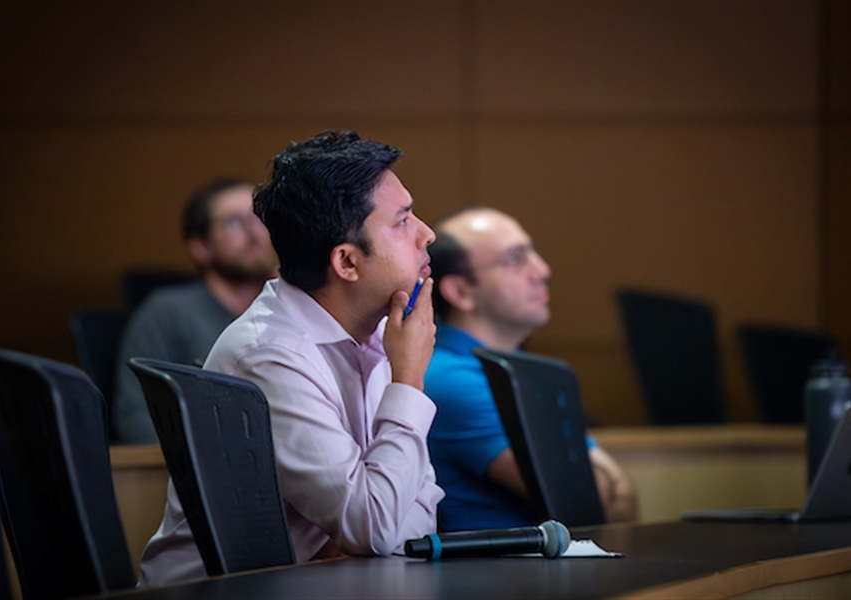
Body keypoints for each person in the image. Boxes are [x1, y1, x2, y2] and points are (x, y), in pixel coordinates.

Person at [138, 131, 444, 586]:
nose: (427, 233)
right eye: (402, 222)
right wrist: (408, 383)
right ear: (347, 263)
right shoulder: (271, 355)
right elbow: (377, 526)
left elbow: (417, 516)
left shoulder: (384, 334)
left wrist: (362, 536)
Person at [425, 207, 638, 531]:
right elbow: (592, 499)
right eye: (515, 258)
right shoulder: (452, 380)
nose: (542, 270)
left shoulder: (514, 372)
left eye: (532, 252)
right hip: (496, 577)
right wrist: (607, 472)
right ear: (461, 292)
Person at [112, 178, 279, 444]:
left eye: (259, 218)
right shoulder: (167, 311)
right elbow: (135, 416)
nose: (254, 232)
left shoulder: (285, 309)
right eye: (234, 222)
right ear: (200, 247)